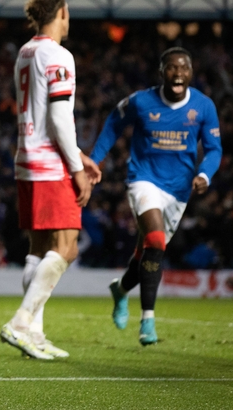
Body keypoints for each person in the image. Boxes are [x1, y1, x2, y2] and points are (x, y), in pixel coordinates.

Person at [90, 47, 222, 345]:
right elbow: (113, 123)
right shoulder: (141, 101)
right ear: (161, 72)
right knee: (156, 241)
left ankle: (121, 290)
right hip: (143, 179)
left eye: (184, 67)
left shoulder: (203, 106)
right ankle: (147, 321)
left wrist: (205, 174)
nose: (178, 73)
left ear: (191, 73)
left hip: (179, 190)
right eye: (172, 67)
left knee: (148, 254)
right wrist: (94, 159)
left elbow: (214, 149)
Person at [0, 0, 101, 360]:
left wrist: (79, 155)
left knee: (39, 250)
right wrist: (76, 167)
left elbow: (42, 115)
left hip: (27, 160)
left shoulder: (25, 53)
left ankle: (34, 334)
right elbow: (59, 116)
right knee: (67, 246)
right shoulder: (59, 55)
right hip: (50, 164)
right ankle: (22, 322)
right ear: (61, 12)